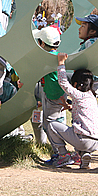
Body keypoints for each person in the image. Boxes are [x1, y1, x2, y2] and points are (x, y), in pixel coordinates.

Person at [46, 53, 98, 169]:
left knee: (52, 125)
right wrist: (70, 107)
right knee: (79, 131)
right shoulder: (91, 97)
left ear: (76, 84)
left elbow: (63, 82)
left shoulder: (79, 95)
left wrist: (61, 63)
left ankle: (63, 156)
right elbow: (85, 112)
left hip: (83, 140)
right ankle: (83, 156)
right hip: (96, 142)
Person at [32, 25, 72, 165]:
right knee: (56, 124)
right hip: (59, 95)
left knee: (50, 126)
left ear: (42, 43)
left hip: (53, 97)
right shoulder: (57, 56)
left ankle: (61, 154)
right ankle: (60, 153)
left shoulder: (46, 58)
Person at [76, 13, 98, 101]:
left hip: (89, 77)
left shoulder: (90, 42)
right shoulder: (96, 42)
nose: (79, 29)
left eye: (83, 26)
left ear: (92, 31)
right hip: (96, 77)